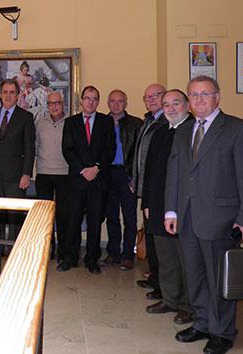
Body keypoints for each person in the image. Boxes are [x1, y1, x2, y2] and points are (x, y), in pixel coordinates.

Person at [165, 76, 243, 354]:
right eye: (194, 95)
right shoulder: (183, 131)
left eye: (205, 94)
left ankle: (222, 332)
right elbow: (176, 174)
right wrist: (171, 210)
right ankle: (202, 322)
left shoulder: (238, 129)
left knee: (220, 279)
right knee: (195, 275)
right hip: (188, 218)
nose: (199, 100)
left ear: (217, 97)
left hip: (222, 219)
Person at [142, 89, 193, 325]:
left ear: (187, 105)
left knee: (185, 259)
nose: (171, 108)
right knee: (166, 257)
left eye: (176, 103)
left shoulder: (194, 130)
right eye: (167, 105)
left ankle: (188, 305)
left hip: (183, 207)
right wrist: (148, 203)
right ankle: (170, 299)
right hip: (159, 206)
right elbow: (150, 171)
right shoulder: (161, 131)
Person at [0, 79, 35, 260]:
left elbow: (29, 149)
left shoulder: (25, 117)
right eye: (5, 92)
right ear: (0, 94)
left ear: (17, 95)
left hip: (16, 175)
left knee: (14, 215)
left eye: (12, 92)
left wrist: (26, 173)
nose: (8, 95)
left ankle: (14, 250)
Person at [61, 85, 115, 274]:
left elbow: (110, 150)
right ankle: (70, 258)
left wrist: (96, 168)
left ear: (98, 102)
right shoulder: (71, 122)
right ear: (81, 101)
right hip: (77, 179)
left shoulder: (106, 122)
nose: (91, 102)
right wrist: (84, 169)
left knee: (95, 221)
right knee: (73, 220)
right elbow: (67, 150)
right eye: (87, 98)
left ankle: (92, 259)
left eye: (95, 98)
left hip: (98, 179)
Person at [101, 89, 142, 270]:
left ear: (126, 104)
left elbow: (139, 154)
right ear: (108, 103)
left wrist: (135, 177)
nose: (116, 105)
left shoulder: (135, 124)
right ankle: (113, 253)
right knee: (111, 217)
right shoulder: (102, 123)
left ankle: (128, 256)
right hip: (107, 175)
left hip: (126, 175)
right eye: (112, 101)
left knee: (129, 217)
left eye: (120, 101)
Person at [133, 83, 168, 294]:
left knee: (161, 240)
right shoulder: (148, 121)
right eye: (147, 97)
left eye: (156, 96)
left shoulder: (167, 122)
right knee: (152, 236)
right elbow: (140, 155)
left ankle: (163, 284)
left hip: (160, 192)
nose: (151, 100)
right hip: (146, 188)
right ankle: (155, 278)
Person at [34, 91, 69, 262]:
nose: (54, 106)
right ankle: (48, 249)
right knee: (45, 217)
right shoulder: (40, 123)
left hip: (64, 174)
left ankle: (63, 251)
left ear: (63, 104)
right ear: (47, 106)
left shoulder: (70, 123)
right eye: (50, 103)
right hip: (44, 174)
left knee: (63, 215)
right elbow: (35, 147)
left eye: (57, 103)